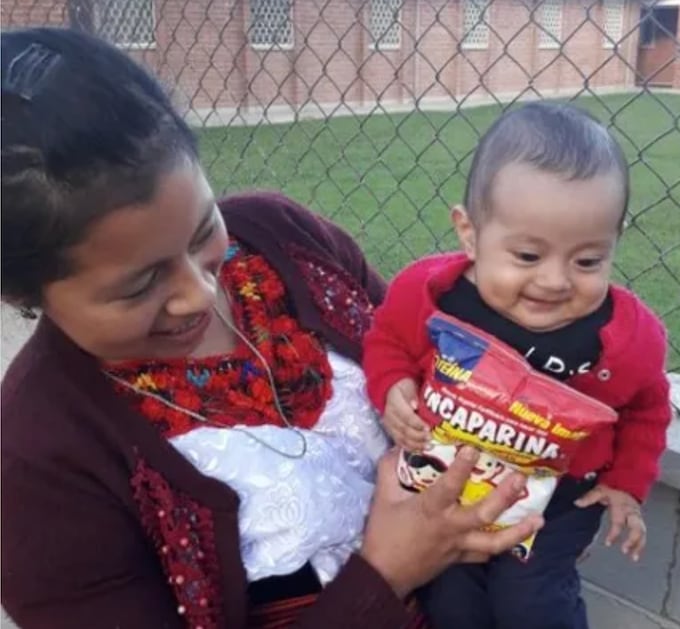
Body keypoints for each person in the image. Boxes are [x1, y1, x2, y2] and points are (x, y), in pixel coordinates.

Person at [0, 27, 543, 629]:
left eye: (203, 230)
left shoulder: (286, 237)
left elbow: (428, 366)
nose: (198, 293)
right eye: (139, 285)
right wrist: (389, 572)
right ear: (26, 293)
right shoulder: (37, 460)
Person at [362, 102, 672, 629]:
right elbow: (386, 339)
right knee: (452, 597)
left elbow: (648, 406)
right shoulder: (432, 293)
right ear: (470, 234)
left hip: (559, 497)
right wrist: (392, 385)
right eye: (528, 256)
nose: (554, 281)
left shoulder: (627, 338)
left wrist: (626, 484)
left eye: (588, 261)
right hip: (454, 477)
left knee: (530, 601)